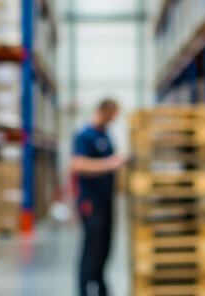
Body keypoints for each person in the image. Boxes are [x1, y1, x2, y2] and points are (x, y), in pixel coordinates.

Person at [71, 99, 129, 296]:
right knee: (92, 250)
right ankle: (84, 291)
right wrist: (113, 163)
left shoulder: (105, 134)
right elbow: (78, 165)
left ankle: (102, 289)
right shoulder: (85, 135)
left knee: (105, 249)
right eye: (113, 115)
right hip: (91, 202)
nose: (114, 120)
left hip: (106, 201)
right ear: (104, 110)